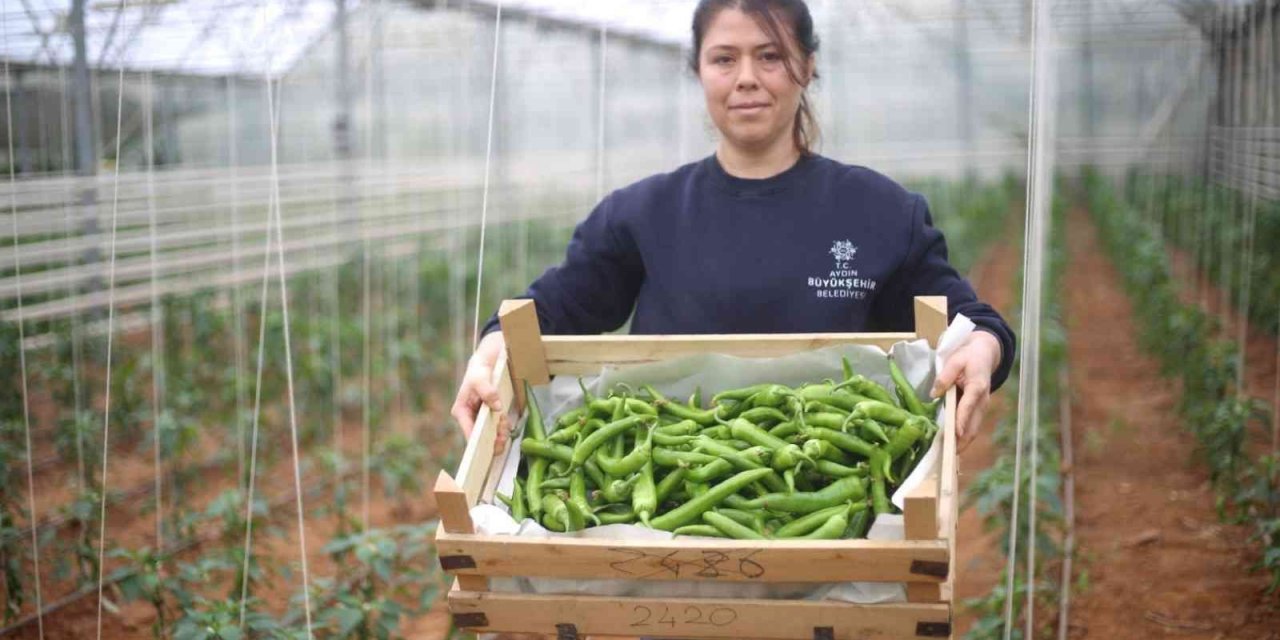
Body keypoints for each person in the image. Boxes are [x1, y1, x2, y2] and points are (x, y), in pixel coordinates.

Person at [451, 0, 1015, 455]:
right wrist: (491, 352)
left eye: (770, 56)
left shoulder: (878, 211)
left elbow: (972, 321)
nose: (746, 78)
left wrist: (984, 348)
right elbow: (550, 311)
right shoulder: (644, 214)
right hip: (670, 493)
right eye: (724, 59)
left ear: (807, 66)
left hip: (838, 493)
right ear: (699, 70)